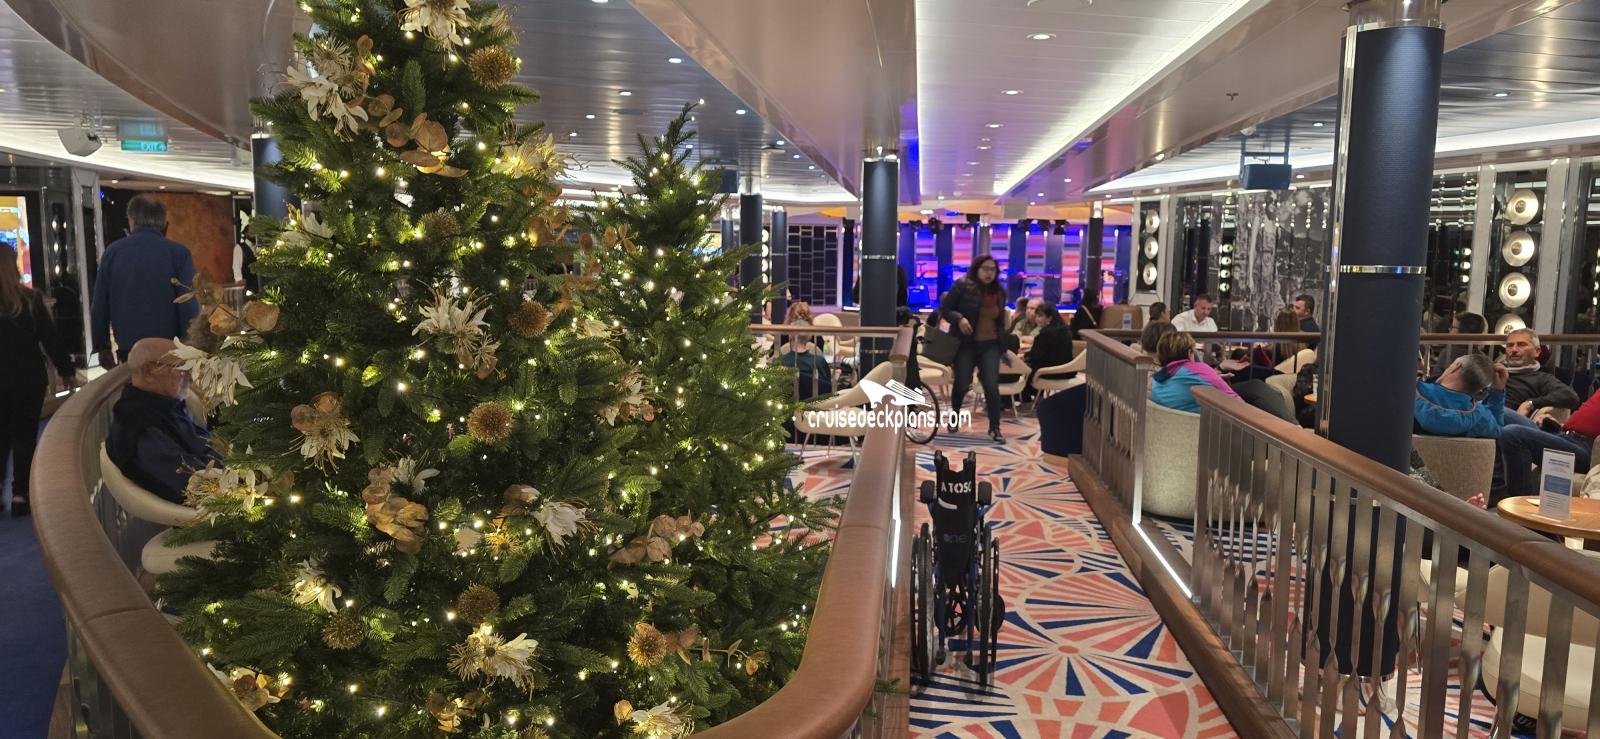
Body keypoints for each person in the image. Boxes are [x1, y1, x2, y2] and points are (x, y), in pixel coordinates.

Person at [0, 245, 74, 516]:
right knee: (24, 436)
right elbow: (51, 339)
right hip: (27, 379)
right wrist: (66, 371)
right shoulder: (30, 300)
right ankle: (21, 495)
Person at [105, 338, 219, 504]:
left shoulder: (163, 406)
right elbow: (191, 480)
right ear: (148, 372)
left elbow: (202, 443)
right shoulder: (138, 425)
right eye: (182, 368)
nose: (190, 377)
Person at [92, 194, 200, 366]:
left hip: (129, 353)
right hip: (169, 352)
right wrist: (190, 346)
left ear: (132, 219)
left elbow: (100, 306)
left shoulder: (112, 253)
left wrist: (102, 346)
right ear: (163, 222)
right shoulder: (179, 254)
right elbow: (188, 304)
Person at [938, 254, 1011, 443]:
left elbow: (1000, 322)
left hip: (991, 344)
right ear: (977, 269)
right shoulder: (962, 285)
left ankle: (994, 428)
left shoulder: (999, 292)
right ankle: (954, 417)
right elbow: (945, 309)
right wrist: (960, 319)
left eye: (993, 269)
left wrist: (1003, 348)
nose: (989, 273)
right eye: (985, 269)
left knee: (991, 386)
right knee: (962, 384)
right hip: (966, 344)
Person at [1414, 353, 1505, 439]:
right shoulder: (1480, 415)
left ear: (1455, 367)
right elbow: (1497, 428)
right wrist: (1498, 391)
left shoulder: (1411, 391)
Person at [1149, 330, 1242, 413]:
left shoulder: (1157, 380)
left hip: (1177, 424)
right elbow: (1238, 403)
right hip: (1211, 424)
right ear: (1189, 353)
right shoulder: (1197, 369)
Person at [1501, 328, 1578, 425]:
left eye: (1521, 344)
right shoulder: (1495, 372)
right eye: (1510, 345)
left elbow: (1570, 397)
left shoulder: (1541, 378)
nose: (1514, 350)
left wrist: (1530, 403)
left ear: (1537, 351)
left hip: (1506, 421)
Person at [1022, 303, 1073, 400]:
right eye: (1036, 316)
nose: (1037, 319)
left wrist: (1025, 355)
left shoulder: (1046, 334)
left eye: (1040, 316)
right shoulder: (1064, 330)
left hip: (1049, 372)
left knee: (1023, 369)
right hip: (1067, 371)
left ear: (1049, 318)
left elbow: (1034, 356)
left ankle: (1023, 399)